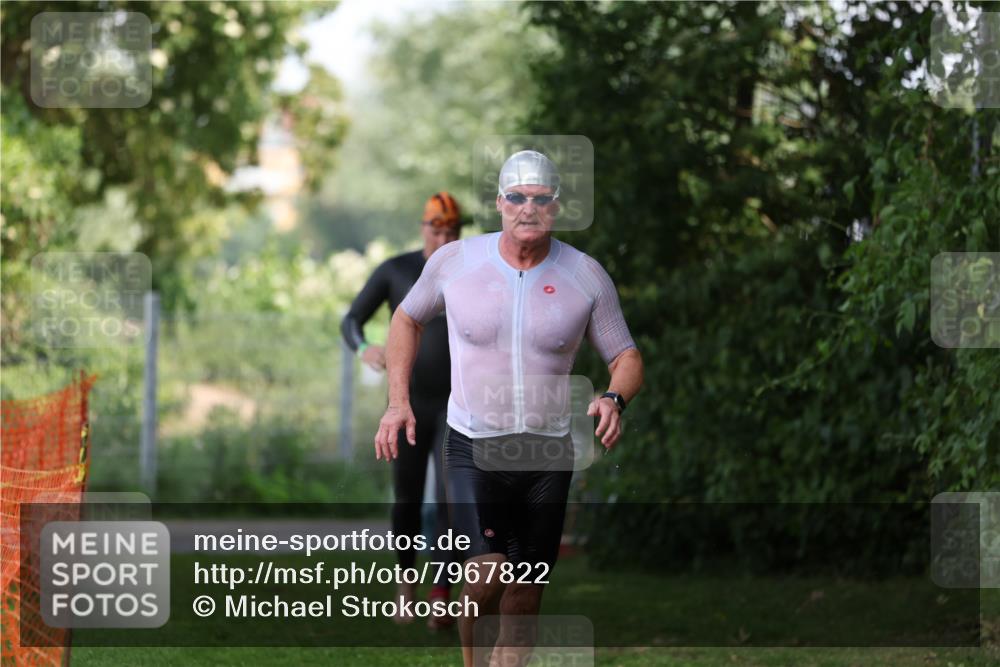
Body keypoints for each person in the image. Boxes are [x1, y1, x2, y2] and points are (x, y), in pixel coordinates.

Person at [374, 150, 644, 666]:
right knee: (487, 575)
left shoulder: (584, 275)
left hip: (547, 455)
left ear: (556, 207)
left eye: (540, 199)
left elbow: (626, 354)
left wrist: (613, 397)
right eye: (517, 197)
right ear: (499, 202)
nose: (528, 208)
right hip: (474, 444)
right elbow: (406, 320)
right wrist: (397, 402)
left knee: (525, 597)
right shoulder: (456, 263)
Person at [342, 191, 463, 629]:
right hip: (406, 403)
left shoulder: (469, 270)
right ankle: (406, 584)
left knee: (452, 498)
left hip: (457, 405)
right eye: (437, 228)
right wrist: (364, 347)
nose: (444, 237)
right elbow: (351, 319)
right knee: (408, 498)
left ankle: (442, 593)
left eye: (453, 230)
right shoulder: (397, 270)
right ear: (422, 226)